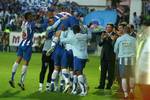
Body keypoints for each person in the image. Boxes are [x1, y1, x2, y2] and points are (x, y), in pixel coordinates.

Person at [61, 25, 91, 96]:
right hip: (84, 57)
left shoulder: (73, 38)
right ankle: (74, 90)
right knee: (75, 72)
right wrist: (87, 29)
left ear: (73, 31)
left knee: (78, 73)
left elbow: (62, 40)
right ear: (79, 30)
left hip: (77, 57)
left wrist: (62, 31)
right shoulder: (84, 36)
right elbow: (90, 36)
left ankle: (84, 91)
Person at [9, 11, 35, 90]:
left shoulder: (24, 23)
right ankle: (21, 81)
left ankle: (12, 78)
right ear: (28, 17)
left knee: (17, 60)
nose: (32, 17)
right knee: (26, 63)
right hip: (28, 44)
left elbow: (24, 24)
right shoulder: (31, 24)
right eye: (31, 16)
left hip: (22, 43)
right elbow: (34, 26)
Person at [38, 15, 64, 92]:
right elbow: (53, 27)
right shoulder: (49, 28)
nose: (51, 22)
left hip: (53, 53)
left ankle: (48, 86)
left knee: (51, 70)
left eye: (52, 21)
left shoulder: (57, 31)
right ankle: (40, 86)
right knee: (44, 69)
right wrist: (60, 20)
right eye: (49, 21)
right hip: (46, 52)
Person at [114, 24, 136, 99]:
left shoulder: (119, 39)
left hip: (122, 59)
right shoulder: (134, 39)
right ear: (130, 31)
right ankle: (132, 91)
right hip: (132, 59)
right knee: (132, 76)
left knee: (123, 78)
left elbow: (115, 50)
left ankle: (126, 94)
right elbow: (137, 49)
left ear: (124, 31)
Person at [96, 23, 116, 90]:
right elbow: (100, 44)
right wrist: (102, 39)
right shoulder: (104, 34)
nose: (107, 28)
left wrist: (110, 38)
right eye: (107, 27)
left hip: (111, 57)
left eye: (109, 27)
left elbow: (113, 45)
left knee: (110, 73)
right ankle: (101, 85)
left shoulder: (115, 35)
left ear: (112, 28)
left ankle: (109, 86)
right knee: (103, 72)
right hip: (103, 56)